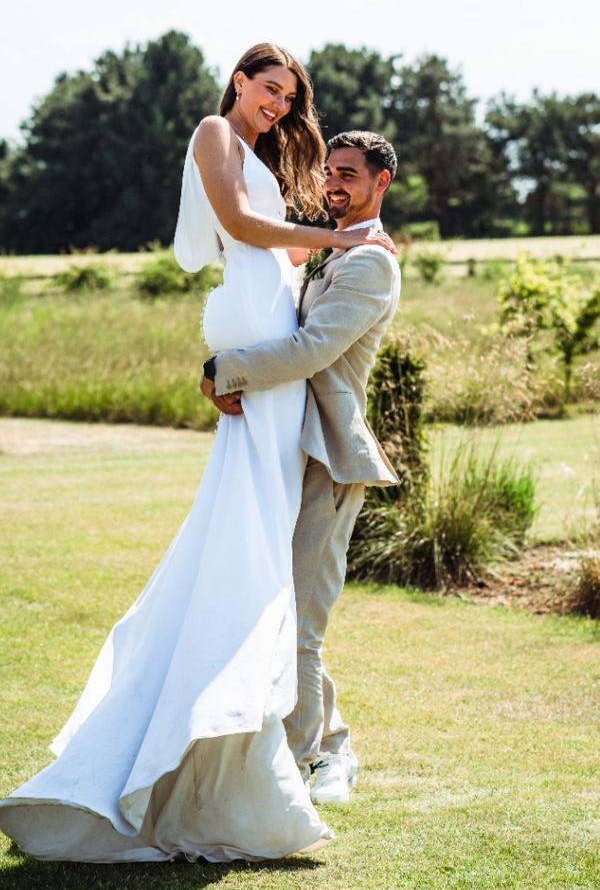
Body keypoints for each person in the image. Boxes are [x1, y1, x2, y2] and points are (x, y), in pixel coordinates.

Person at [0, 44, 395, 864]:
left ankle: (315, 749)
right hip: (267, 401)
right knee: (255, 582)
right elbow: (250, 235)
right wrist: (325, 234)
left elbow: (301, 302)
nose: (279, 105)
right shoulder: (218, 134)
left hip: (298, 414)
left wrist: (242, 354)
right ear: (240, 84)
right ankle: (275, 751)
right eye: (270, 88)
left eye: (290, 96)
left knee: (284, 598)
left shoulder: (344, 242)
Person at [200, 130, 401, 805]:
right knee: (283, 607)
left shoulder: (371, 262)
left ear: (381, 184)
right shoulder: (330, 250)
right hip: (287, 446)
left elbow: (313, 348)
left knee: (303, 619)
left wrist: (227, 369)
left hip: (328, 456)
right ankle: (331, 742)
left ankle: (304, 763)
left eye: (347, 174)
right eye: (327, 172)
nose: (332, 183)